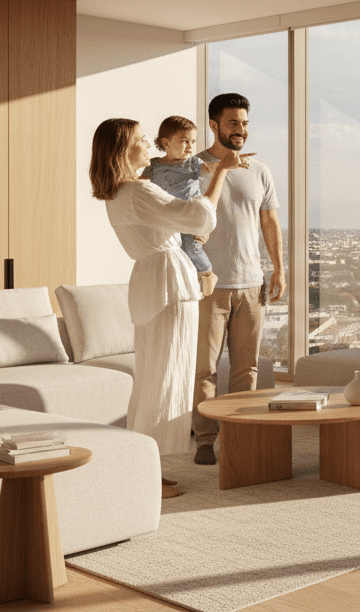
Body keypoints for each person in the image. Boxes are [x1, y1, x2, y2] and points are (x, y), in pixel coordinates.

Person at [89, 117, 248, 498]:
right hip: (167, 283)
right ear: (123, 150)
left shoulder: (118, 193)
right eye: (143, 141)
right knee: (166, 380)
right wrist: (221, 174)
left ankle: (145, 469)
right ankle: (148, 476)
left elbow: (182, 223)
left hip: (152, 281)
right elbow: (198, 217)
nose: (150, 147)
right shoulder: (139, 191)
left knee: (153, 379)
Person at [191, 92, 284, 465]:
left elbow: (269, 221)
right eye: (232, 123)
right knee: (205, 368)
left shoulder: (260, 171)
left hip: (251, 283)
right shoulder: (192, 169)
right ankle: (204, 440)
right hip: (208, 285)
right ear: (214, 125)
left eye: (244, 123)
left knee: (247, 369)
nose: (240, 130)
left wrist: (279, 268)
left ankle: (240, 433)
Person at [141, 115, 218, 297]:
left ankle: (207, 273)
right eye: (185, 141)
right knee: (174, 254)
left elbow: (210, 168)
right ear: (166, 143)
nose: (190, 147)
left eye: (193, 141)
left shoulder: (193, 163)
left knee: (191, 248)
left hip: (190, 218)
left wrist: (226, 165)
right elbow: (140, 185)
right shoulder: (154, 165)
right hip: (167, 219)